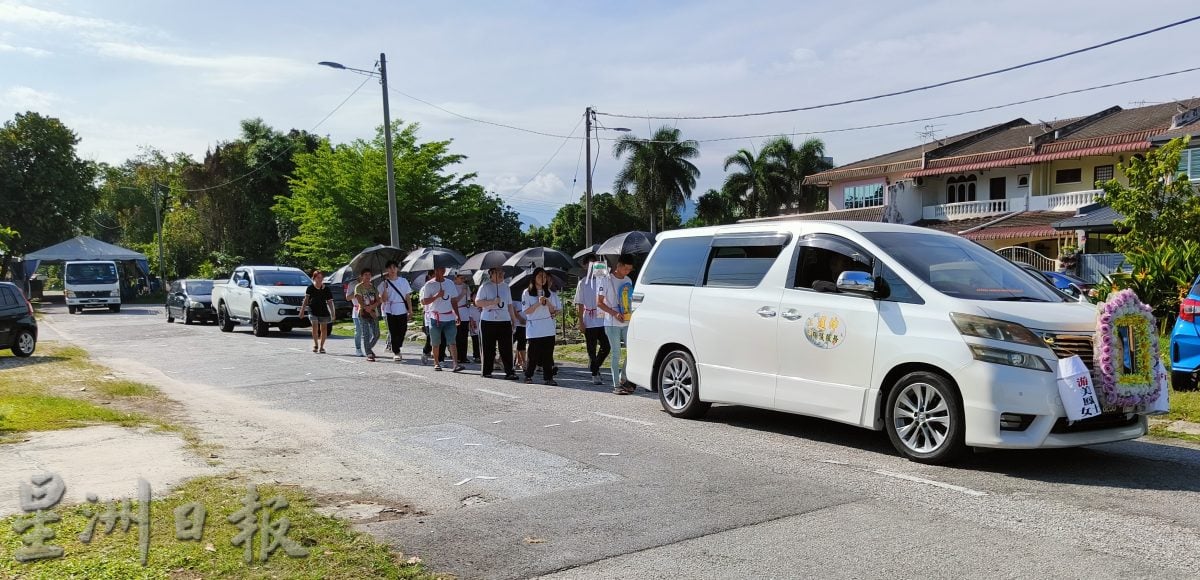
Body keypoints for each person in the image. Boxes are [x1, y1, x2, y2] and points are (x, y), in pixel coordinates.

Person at [598, 254, 636, 394]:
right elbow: (599, 303)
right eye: (625, 268)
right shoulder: (606, 280)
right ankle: (616, 385)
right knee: (616, 353)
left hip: (626, 321)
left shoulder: (628, 280)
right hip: (611, 322)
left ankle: (623, 377)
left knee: (632, 350)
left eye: (629, 269)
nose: (627, 271)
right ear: (618, 265)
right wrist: (614, 313)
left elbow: (629, 299)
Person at [574, 254, 611, 385]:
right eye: (589, 264)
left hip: (602, 317)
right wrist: (581, 322)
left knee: (606, 346)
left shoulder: (603, 280)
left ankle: (594, 367)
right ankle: (595, 373)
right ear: (585, 266)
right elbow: (579, 303)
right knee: (592, 348)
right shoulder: (582, 282)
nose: (592, 267)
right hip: (589, 318)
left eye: (594, 264)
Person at [475, 267, 518, 379]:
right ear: (491, 274)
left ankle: (510, 371)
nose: (501, 274)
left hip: (504, 320)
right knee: (488, 347)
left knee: (507, 348)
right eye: (498, 272)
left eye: (502, 272)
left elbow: (509, 305)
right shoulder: (485, 286)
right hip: (488, 320)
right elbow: (478, 302)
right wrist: (492, 302)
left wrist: (513, 320)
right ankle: (487, 371)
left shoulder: (506, 287)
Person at [521, 268, 561, 385]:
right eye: (540, 276)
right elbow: (527, 311)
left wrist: (547, 302)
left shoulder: (549, 293)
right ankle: (528, 375)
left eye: (544, 277)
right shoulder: (527, 293)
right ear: (534, 278)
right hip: (534, 328)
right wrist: (538, 303)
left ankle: (548, 377)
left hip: (548, 327)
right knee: (533, 354)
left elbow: (554, 311)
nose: (542, 279)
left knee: (548, 354)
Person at [420, 266, 464, 372]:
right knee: (436, 343)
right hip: (435, 318)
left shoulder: (449, 283)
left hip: (449, 317)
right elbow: (423, 301)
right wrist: (436, 296)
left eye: (443, 269)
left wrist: (457, 314)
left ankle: (455, 364)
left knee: (452, 341)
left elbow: (453, 300)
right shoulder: (429, 284)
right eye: (440, 269)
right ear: (435, 270)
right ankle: (436, 362)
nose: (442, 271)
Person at [377, 261, 414, 362]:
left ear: (397, 269)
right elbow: (383, 300)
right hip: (390, 310)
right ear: (386, 270)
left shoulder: (403, 281)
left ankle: (397, 346)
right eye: (390, 268)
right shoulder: (383, 284)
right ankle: (396, 352)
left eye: (394, 267)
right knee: (393, 332)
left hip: (402, 309)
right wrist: (384, 289)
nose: (392, 270)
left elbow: (407, 296)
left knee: (402, 331)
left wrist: (410, 310)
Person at [300, 269, 335, 354]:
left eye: (321, 278)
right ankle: (315, 344)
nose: (320, 279)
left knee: (323, 329)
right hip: (312, 310)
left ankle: (322, 346)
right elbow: (306, 300)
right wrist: (302, 310)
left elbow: (330, 302)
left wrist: (333, 313)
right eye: (318, 278)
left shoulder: (326, 289)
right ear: (314, 278)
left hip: (323, 310)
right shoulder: (310, 288)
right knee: (315, 326)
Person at [353, 269, 383, 362]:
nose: (367, 276)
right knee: (366, 334)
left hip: (374, 313)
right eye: (365, 274)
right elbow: (359, 300)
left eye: (369, 274)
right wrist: (368, 309)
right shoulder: (358, 287)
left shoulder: (373, 288)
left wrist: (372, 307)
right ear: (362, 276)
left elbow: (378, 300)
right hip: (363, 313)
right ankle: (369, 353)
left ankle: (368, 348)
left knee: (377, 334)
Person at [452, 271, 474, 367]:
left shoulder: (465, 286)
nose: (463, 280)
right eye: (461, 278)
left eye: (463, 278)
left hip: (465, 311)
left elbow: (468, 299)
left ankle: (463, 356)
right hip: (456, 312)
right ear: (456, 278)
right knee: (457, 335)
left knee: (464, 335)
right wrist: (462, 293)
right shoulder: (452, 286)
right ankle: (457, 356)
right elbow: (454, 301)